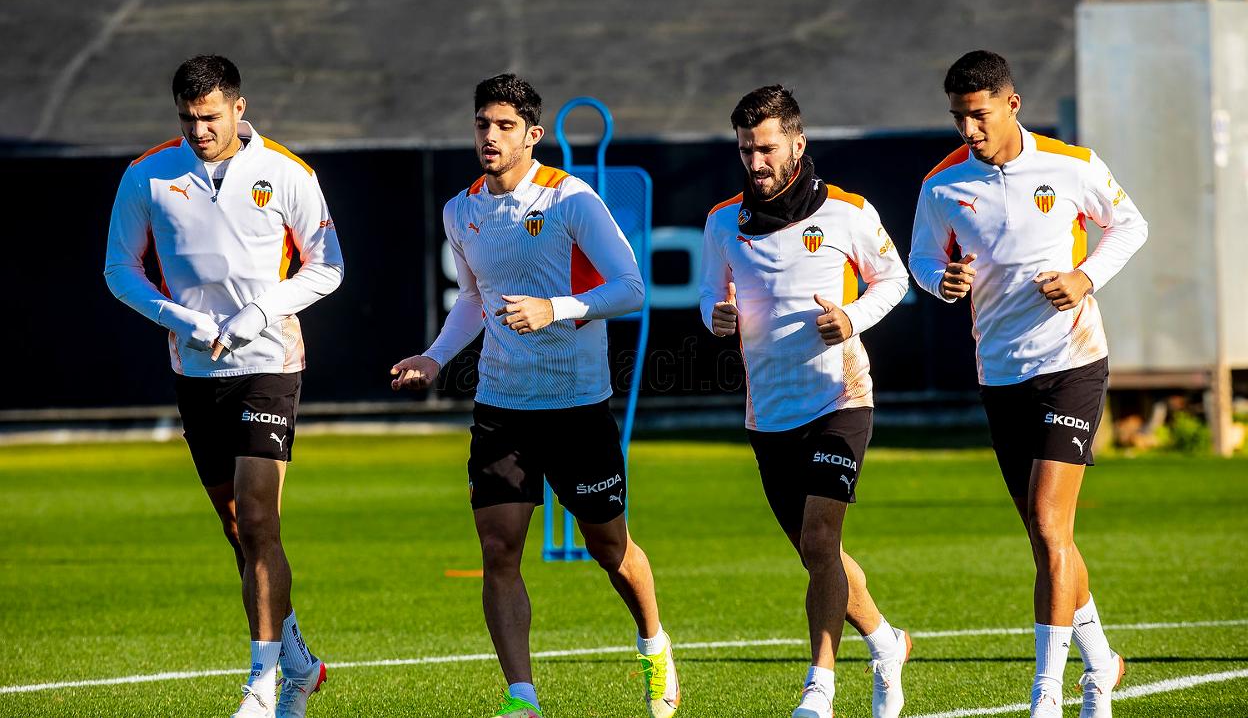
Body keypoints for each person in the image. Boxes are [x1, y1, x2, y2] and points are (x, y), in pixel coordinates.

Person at [389, 73, 679, 718]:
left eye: (504, 126)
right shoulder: (460, 208)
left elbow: (631, 287)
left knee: (610, 549)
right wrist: (434, 360)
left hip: (578, 405)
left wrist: (557, 307)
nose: (490, 137)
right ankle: (521, 696)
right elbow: (472, 299)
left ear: (533, 135)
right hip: (501, 406)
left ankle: (654, 643)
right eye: (481, 125)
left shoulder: (571, 198)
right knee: (499, 550)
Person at [909, 50, 1148, 718]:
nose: (968, 130)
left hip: (1072, 361)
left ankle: (1046, 693)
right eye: (958, 117)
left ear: (1012, 104)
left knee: (1048, 524)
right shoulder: (942, 185)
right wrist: (941, 280)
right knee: (1052, 538)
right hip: (1001, 371)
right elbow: (924, 257)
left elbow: (1131, 224)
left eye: (979, 115)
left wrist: (1084, 277)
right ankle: (1103, 663)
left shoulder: (1072, 164)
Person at [104, 54, 343, 718]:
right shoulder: (147, 175)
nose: (199, 131)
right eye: (187, 119)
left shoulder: (288, 173)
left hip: (269, 362)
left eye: (209, 117)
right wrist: (182, 319)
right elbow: (119, 271)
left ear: (239, 107)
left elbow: (328, 268)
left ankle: (261, 686)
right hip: (196, 369)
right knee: (239, 529)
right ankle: (299, 666)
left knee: (261, 519)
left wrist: (257, 314)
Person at [700, 85, 913, 718]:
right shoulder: (722, 222)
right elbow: (713, 298)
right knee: (820, 555)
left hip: (839, 396)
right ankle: (884, 640)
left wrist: (851, 318)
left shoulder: (847, 213)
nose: (756, 163)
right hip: (769, 411)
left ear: (798, 142)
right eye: (745, 151)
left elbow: (894, 280)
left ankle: (818, 689)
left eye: (766, 149)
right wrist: (717, 316)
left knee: (821, 538)